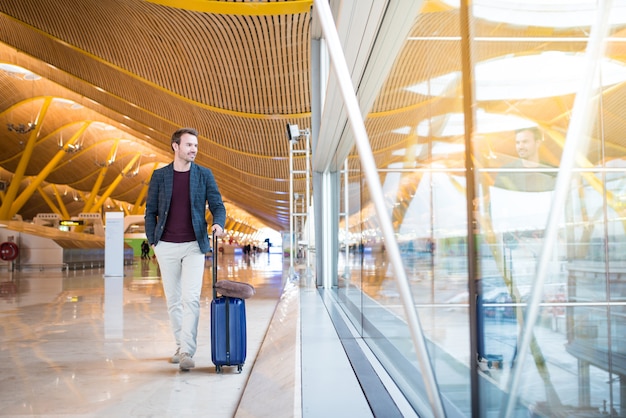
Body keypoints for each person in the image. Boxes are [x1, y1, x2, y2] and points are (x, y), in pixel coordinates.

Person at [144, 127, 226, 371]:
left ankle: (188, 350)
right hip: (166, 245)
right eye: (189, 145)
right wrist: (153, 240)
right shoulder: (160, 176)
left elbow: (217, 205)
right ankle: (180, 345)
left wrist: (218, 224)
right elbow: (151, 211)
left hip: (194, 245)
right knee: (173, 301)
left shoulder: (204, 175)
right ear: (175, 146)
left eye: (196, 146)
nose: (194, 150)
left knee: (190, 299)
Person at [493, 127, 556, 192]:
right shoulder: (507, 171)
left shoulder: (552, 171)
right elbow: (496, 199)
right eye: (518, 142)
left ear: (537, 143)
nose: (520, 146)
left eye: (525, 142)